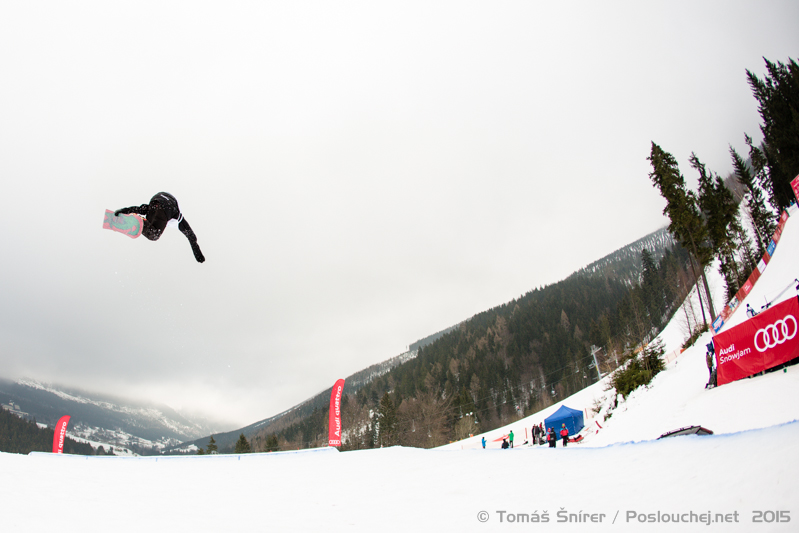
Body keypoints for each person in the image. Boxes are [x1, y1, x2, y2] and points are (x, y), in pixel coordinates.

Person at [115, 192, 205, 263]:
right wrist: (197, 253)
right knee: (154, 234)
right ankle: (139, 220)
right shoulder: (178, 220)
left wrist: (125, 210)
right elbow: (190, 235)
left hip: (157, 199)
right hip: (169, 205)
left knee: (150, 222)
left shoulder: (159, 214)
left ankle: (140, 219)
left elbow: (142, 209)